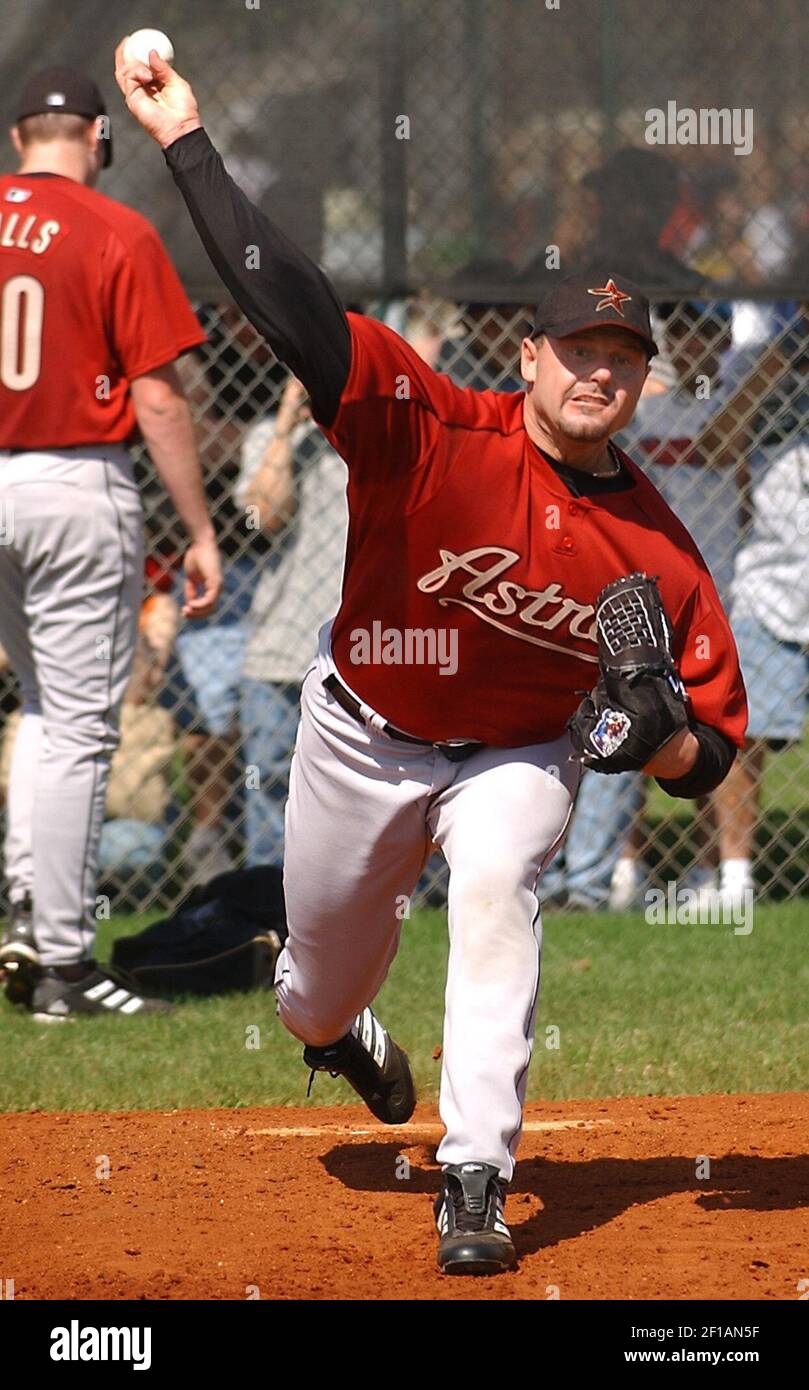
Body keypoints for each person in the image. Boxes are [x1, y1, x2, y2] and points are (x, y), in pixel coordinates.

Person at [117, 48, 746, 1275]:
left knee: (497, 875)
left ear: (642, 374)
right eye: (576, 346)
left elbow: (704, 748)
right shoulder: (429, 426)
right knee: (311, 991)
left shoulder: (660, 554)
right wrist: (189, 141)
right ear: (526, 358)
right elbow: (292, 303)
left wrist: (658, 738)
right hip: (359, 732)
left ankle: (475, 1177)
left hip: (514, 749)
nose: (598, 367)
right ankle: (342, 1036)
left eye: (621, 350)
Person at [0, 67, 222, 1020]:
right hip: (72, 484)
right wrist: (202, 527)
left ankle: (24, 903)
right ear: (96, 136)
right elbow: (160, 395)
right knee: (81, 726)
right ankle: (60, 965)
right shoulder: (116, 230)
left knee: (41, 709)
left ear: (18, 140)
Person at [237, 374, 348, 868]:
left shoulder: (372, 436)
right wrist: (286, 426)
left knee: (351, 782)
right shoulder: (268, 438)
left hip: (358, 642)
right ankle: (268, 890)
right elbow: (265, 514)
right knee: (270, 776)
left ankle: (345, 890)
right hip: (281, 636)